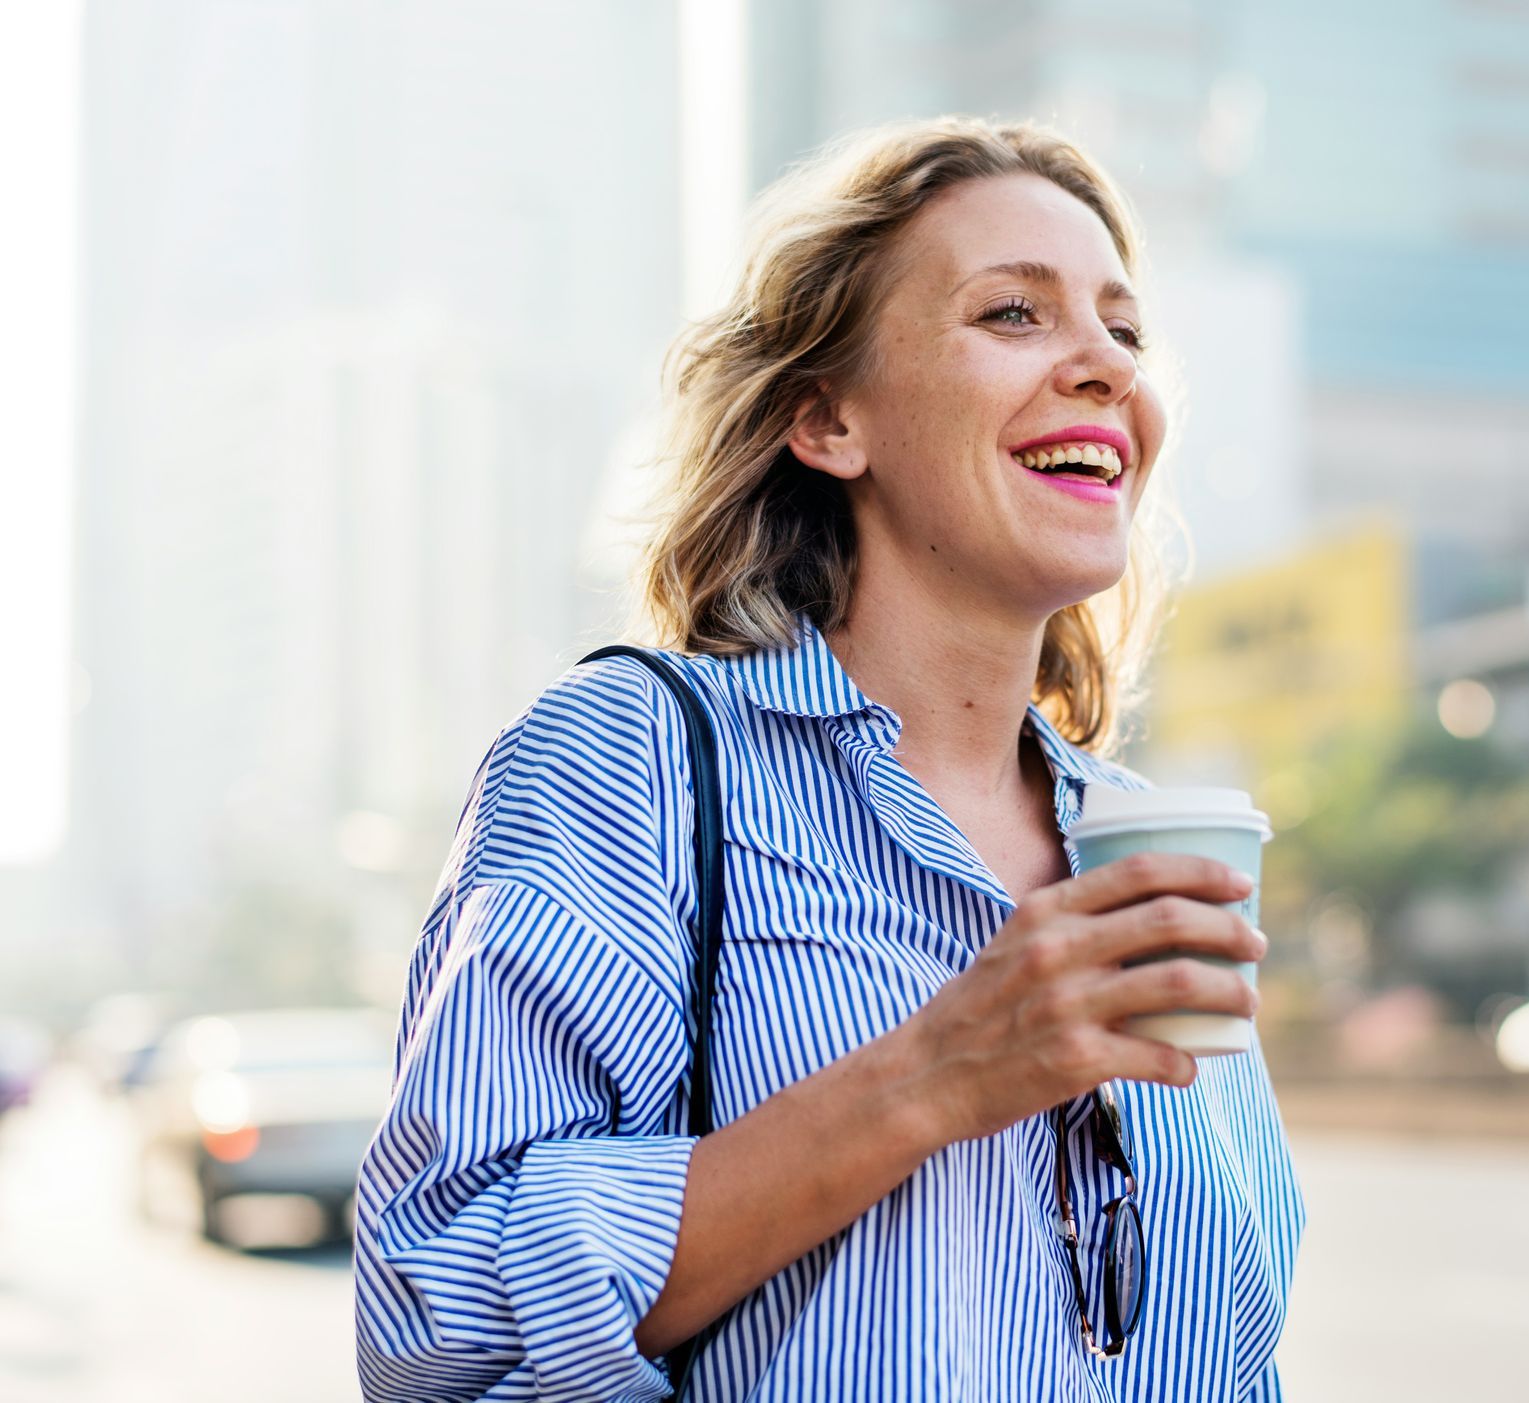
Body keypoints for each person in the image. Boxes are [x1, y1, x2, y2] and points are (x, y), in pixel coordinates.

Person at [353, 115, 1304, 1402]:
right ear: (827, 417)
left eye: (1125, 332)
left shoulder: (1142, 839)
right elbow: (437, 1327)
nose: (1104, 368)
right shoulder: (633, 763)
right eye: (1015, 314)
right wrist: (933, 1071)